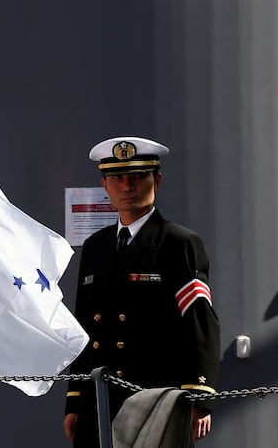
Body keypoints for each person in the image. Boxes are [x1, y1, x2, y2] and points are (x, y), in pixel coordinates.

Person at [63, 136, 220, 446]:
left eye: (137, 177)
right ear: (105, 185)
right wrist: (74, 398)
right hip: (99, 399)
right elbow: (84, 327)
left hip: (156, 399)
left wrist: (198, 397)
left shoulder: (180, 243)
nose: (127, 186)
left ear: (156, 180)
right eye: (117, 178)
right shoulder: (96, 247)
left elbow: (199, 323)